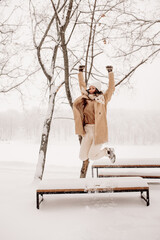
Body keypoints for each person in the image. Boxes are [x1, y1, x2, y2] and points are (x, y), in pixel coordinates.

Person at [73, 65, 116, 178]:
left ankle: (107, 151)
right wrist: (80, 72)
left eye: (93, 88)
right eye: (90, 87)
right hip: (87, 130)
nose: (90, 89)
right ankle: (105, 152)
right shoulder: (85, 98)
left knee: (92, 156)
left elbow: (111, 88)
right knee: (82, 157)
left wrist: (110, 73)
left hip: (98, 131)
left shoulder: (103, 99)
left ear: (97, 89)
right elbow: (81, 85)